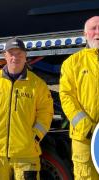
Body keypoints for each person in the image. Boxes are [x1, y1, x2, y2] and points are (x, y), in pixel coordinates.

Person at [0, 37, 54, 180]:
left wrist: (35, 137)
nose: (15, 57)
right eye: (11, 53)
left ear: (25, 56)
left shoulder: (37, 84)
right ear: (5, 56)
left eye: (19, 54)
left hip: (26, 153)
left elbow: (46, 112)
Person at [59, 16, 99, 180]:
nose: (98, 32)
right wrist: (87, 128)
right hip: (84, 138)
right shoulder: (72, 63)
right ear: (85, 34)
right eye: (93, 28)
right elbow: (66, 96)